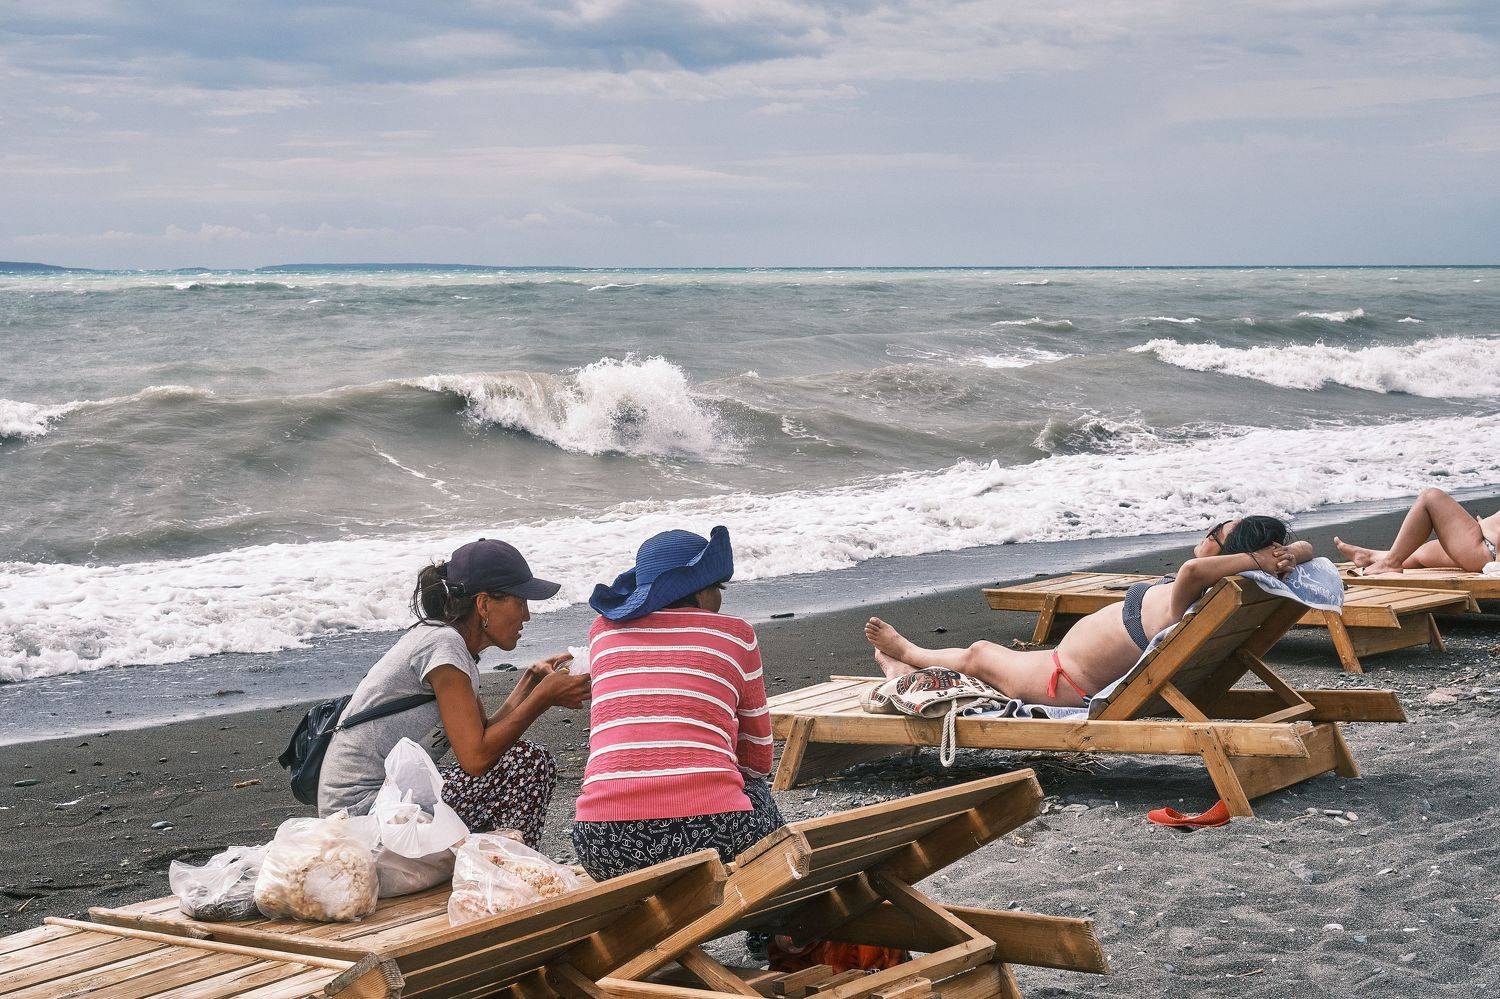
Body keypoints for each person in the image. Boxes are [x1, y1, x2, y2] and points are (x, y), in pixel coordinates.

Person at [865, 516, 1311, 706]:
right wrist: (1284, 553)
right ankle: (910, 666)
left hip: (1064, 683)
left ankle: (908, 656)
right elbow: (1311, 551)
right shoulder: (1224, 589)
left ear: (1229, 553)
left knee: (980, 653)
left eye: (1215, 532)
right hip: (1063, 666)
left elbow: (1193, 568)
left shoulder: (1194, 591)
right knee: (985, 657)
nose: (1207, 534)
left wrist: (1256, 558)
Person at [318, 538, 590, 848]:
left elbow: (483, 734)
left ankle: (494, 860)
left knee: (517, 759)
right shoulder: (445, 647)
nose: (526, 616)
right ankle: (506, 865)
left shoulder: (447, 642)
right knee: (529, 762)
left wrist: (531, 681)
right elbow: (476, 758)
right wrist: (543, 698)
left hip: (382, 800)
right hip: (361, 813)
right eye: (520, 602)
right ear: (484, 604)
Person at [571, 526, 784, 882]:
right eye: (718, 589)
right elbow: (759, 756)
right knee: (756, 791)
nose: (720, 600)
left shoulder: (602, 632)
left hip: (603, 842)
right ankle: (765, 921)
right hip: (715, 833)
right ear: (700, 590)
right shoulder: (737, 634)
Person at [1334, 487, 1499, 576]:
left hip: (1487, 549)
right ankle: (1368, 557)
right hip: (1485, 544)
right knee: (1419, 554)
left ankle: (1390, 563)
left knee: (1430, 497)